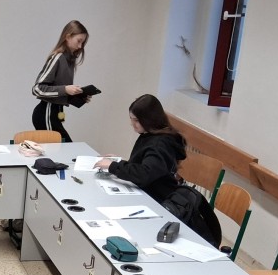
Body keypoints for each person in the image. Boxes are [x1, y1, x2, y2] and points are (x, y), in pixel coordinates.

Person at [96, 94, 221, 246]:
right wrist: (119, 162)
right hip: (149, 194)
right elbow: (147, 165)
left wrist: (113, 166)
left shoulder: (160, 144)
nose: (132, 124)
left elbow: (145, 174)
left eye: (136, 120)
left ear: (149, 119)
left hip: (160, 202)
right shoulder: (150, 135)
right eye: (131, 119)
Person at [31, 20, 90, 142]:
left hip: (55, 114)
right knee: (65, 149)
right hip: (46, 113)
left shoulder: (69, 60)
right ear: (68, 37)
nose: (80, 46)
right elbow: (37, 89)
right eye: (79, 41)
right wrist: (65, 89)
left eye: (83, 43)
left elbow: (60, 94)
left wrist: (80, 97)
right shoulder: (57, 57)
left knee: (65, 149)